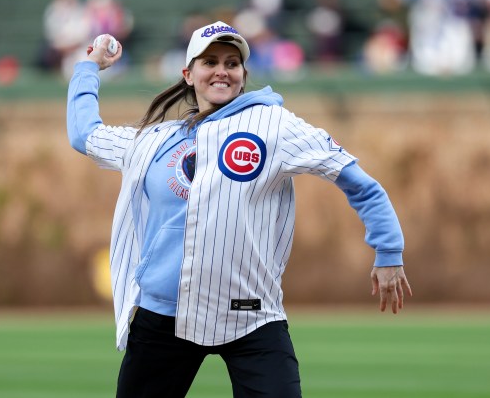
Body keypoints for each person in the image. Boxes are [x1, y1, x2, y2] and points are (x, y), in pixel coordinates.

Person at [67, 20, 412, 398]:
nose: (221, 71)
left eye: (232, 63)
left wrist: (388, 251)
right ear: (188, 74)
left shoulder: (273, 126)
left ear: (243, 75)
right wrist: (89, 68)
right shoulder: (155, 141)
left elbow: (359, 183)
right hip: (164, 317)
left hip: (250, 315)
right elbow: (85, 134)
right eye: (210, 61)